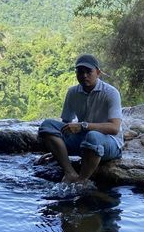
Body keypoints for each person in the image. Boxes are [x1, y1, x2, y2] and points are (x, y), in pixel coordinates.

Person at [38, 54, 123, 185]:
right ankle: (69, 172)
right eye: (80, 72)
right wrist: (57, 152)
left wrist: (83, 125)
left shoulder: (111, 93)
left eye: (89, 71)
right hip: (84, 140)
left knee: (93, 136)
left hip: (110, 144)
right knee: (47, 125)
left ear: (98, 72)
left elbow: (114, 128)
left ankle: (82, 180)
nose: (84, 76)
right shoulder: (73, 92)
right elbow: (65, 125)